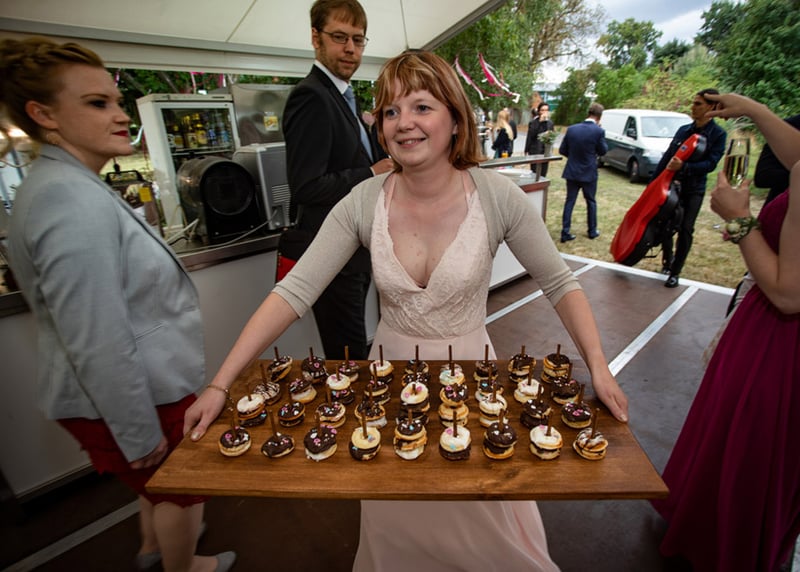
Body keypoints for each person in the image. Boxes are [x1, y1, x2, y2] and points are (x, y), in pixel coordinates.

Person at [185, 49, 629, 572]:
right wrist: (221, 383)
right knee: (398, 518)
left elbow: (560, 283)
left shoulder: (497, 197)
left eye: (421, 107)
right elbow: (294, 290)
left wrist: (599, 367)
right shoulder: (363, 200)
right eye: (391, 111)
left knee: (480, 522)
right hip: (389, 381)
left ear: (455, 118)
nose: (403, 123)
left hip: (473, 380)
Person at [0, 37, 234, 572]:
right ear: (44, 115)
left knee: (154, 485)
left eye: (116, 100)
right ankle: (186, 566)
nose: (121, 114)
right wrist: (138, 432)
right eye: (96, 103)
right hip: (136, 396)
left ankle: (152, 549)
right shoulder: (67, 198)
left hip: (131, 391)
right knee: (182, 487)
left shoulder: (65, 184)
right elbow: (97, 336)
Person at [651, 92, 800, 572]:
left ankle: (723, 545)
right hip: (767, 331)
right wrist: (754, 109)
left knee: (750, 449)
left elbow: (788, 293)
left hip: (780, 345)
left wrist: (740, 222)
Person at [282, 0, 393, 360]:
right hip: (332, 254)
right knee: (348, 358)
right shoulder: (311, 96)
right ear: (316, 38)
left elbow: (351, 156)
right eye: (340, 37)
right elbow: (307, 186)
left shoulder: (344, 96)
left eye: (358, 40)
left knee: (353, 349)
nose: (350, 49)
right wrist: (370, 173)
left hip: (357, 252)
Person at [650, 88, 726, 288]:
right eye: (693, 103)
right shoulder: (683, 131)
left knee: (685, 229)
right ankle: (667, 262)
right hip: (673, 186)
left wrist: (685, 167)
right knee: (666, 225)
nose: (693, 107)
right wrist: (653, 183)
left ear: (711, 107)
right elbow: (668, 158)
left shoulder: (718, 134)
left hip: (694, 190)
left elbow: (710, 164)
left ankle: (675, 272)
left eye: (698, 104)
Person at [558, 102, 607, 243]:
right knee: (591, 201)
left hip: (572, 170)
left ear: (588, 113)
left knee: (570, 201)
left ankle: (565, 231)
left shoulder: (572, 129)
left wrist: (573, 157)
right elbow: (603, 151)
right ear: (599, 117)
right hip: (589, 171)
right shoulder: (598, 131)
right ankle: (592, 230)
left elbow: (562, 150)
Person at [524, 101, 554, 176]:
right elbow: (531, 136)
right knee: (534, 173)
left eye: (546, 110)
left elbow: (551, 137)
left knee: (543, 173)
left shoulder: (550, 123)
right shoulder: (533, 122)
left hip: (545, 151)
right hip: (535, 151)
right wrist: (526, 149)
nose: (544, 112)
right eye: (542, 110)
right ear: (539, 111)